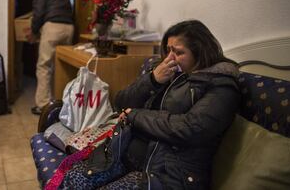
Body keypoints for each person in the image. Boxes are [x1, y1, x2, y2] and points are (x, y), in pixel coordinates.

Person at [60, 20, 241, 189]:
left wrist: (136, 116)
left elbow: (191, 128)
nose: (170, 58)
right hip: (128, 153)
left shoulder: (220, 84)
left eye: (178, 52)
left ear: (201, 51)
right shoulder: (168, 71)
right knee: (73, 179)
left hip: (168, 173)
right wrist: (152, 80)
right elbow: (121, 103)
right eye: (169, 50)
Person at [27, 0, 74, 115]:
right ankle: (64, 104)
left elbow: (39, 10)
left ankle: (43, 106)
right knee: (63, 67)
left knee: (44, 66)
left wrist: (34, 31)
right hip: (69, 27)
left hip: (52, 27)